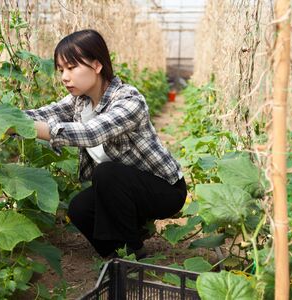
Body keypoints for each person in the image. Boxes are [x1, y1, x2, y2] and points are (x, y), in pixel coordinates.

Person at [23, 29, 186, 259]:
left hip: (164, 190)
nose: (64, 77)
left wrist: (34, 130)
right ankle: (118, 256)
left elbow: (91, 133)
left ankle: (135, 251)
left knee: (106, 173)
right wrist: (8, 119)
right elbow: (44, 113)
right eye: (61, 70)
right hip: (123, 190)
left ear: (97, 65)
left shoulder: (128, 99)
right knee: (79, 209)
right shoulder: (79, 101)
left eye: (72, 67)